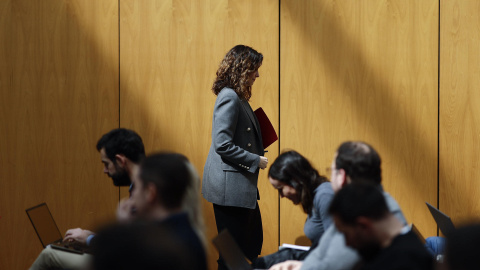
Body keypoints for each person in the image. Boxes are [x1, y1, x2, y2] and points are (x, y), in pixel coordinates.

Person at [270, 141, 407, 270]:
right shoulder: (361, 205)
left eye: (331, 171)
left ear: (341, 176)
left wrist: (302, 267)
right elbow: (324, 250)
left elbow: (334, 265)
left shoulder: (366, 214)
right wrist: (300, 264)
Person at [29, 128, 145, 270]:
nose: (105, 171)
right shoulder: (145, 185)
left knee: (49, 254)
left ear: (121, 160)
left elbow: (132, 249)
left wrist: (89, 240)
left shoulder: (144, 193)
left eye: (106, 164)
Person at [202, 45, 268, 270]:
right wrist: (254, 159)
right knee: (232, 255)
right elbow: (222, 144)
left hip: (237, 186)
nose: (257, 75)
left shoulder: (237, 96)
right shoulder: (229, 97)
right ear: (242, 69)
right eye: (254, 69)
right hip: (229, 190)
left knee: (244, 248)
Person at [115, 152, 207, 270]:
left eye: (136, 187)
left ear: (150, 193)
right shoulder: (184, 230)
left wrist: (124, 230)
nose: (132, 196)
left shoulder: (163, 244)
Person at [253, 150, 334, 268]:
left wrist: (300, 266)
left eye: (281, 189)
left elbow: (337, 249)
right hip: (317, 258)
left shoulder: (325, 196)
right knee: (263, 262)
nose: (281, 195)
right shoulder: (315, 196)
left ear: (296, 181)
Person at [329, 183, 433, 270]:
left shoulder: (401, 263)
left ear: (363, 225)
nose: (347, 243)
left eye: (345, 234)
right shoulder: (408, 246)